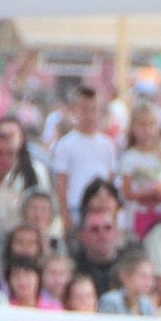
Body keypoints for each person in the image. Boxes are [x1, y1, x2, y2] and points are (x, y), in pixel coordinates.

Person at [51, 84, 118, 231]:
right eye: (84, 110)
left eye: (93, 109)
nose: (90, 115)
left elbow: (111, 179)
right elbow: (62, 183)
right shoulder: (65, 144)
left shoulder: (107, 144)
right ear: (75, 111)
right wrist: (65, 215)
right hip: (76, 207)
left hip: (102, 208)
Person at [120, 102, 161, 239]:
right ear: (133, 128)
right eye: (142, 125)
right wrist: (146, 194)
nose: (147, 130)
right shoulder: (129, 157)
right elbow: (127, 191)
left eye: (151, 124)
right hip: (143, 213)